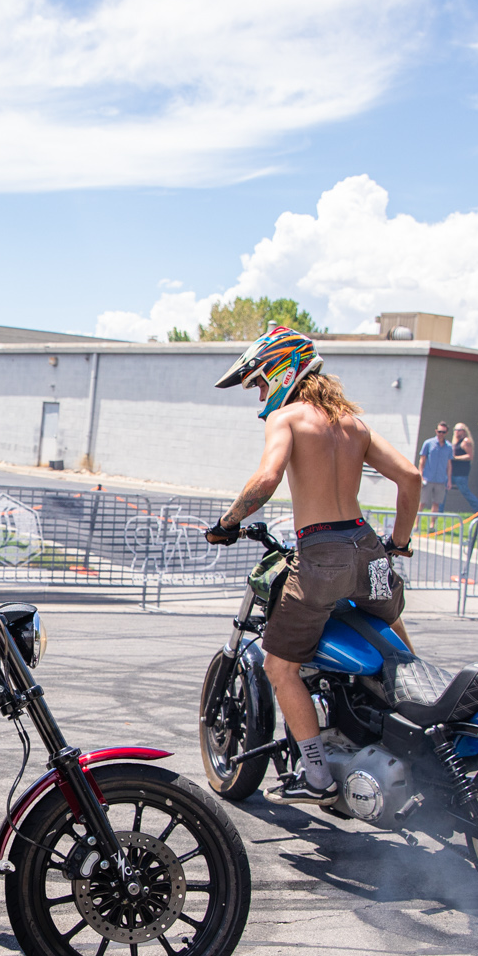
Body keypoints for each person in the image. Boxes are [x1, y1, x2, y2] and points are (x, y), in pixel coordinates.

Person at [202, 326, 419, 806]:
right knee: (394, 632)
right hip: (370, 552)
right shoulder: (354, 424)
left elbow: (266, 478)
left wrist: (227, 521)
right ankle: (418, 721)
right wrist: (399, 544)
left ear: (280, 371)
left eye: (258, 381)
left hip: (322, 556)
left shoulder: (288, 417)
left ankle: (317, 776)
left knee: (280, 667)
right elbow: (411, 476)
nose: (259, 392)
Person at [417, 422, 453, 514]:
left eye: (443, 432)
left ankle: (432, 525)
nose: (441, 434)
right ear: (436, 431)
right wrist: (421, 475)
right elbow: (422, 460)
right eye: (439, 431)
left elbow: (449, 464)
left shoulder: (449, 447)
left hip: (440, 479)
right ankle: (416, 524)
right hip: (428, 478)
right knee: (422, 502)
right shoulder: (428, 443)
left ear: (447, 433)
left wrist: (449, 480)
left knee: (436, 503)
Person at [450, 422, 478, 513]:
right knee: (443, 488)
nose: (456, 432)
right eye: (455, 430)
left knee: (465, 491)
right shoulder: (455, 442)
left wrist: (455, 458)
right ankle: (438, 511)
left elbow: (470, 456)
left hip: (461, 472)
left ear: (464, 431)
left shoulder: (466, 441)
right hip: (453, 472)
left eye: (459, 430)